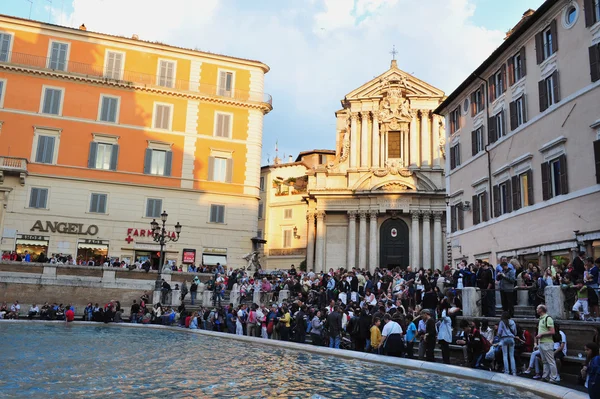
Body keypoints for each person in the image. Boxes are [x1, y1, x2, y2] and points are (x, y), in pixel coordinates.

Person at [536, 304, 559, 383]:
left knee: (550, 361)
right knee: (544, 361)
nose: (536, 310)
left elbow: (552, 331)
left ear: (541, 310)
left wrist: (541, 334)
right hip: (541, 342)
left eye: (537, 308)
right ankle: (545, 376)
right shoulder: (540, 319)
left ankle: (553, 377)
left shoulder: (548, 318)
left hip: (547, 342)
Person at [497, 311, 517, 376]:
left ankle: (507, 371)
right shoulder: (513, 322)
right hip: (511, 338)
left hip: (504, 338)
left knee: (505, 355)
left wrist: (499, 337)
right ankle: (514, 372)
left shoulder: (502, 322)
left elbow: (499, 332)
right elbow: (515, 331)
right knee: (512, 356)